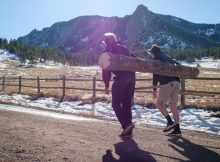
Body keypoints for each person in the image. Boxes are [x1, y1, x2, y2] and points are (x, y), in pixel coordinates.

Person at [101, 32, 135, 139]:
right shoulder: (125, 49)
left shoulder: (109, 49)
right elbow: (133, 64)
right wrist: (133, 84)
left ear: (107, 40)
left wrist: (106, 84)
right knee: (126, 104)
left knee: (115, 104)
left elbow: (106, 68)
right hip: (131, 78)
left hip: (121, 78)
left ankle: (126, 125)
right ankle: (128, 132)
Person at [148, 44, 182, 136]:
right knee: (173, 105)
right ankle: (177, 129)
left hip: (167, 82)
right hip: (177, 81)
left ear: (153, 52)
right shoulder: (167, 57)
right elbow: (178, 65)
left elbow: (155, 74)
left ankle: (169, 122)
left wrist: (154, 89)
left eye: (151, 53)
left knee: (159, 103)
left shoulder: (157, 58)